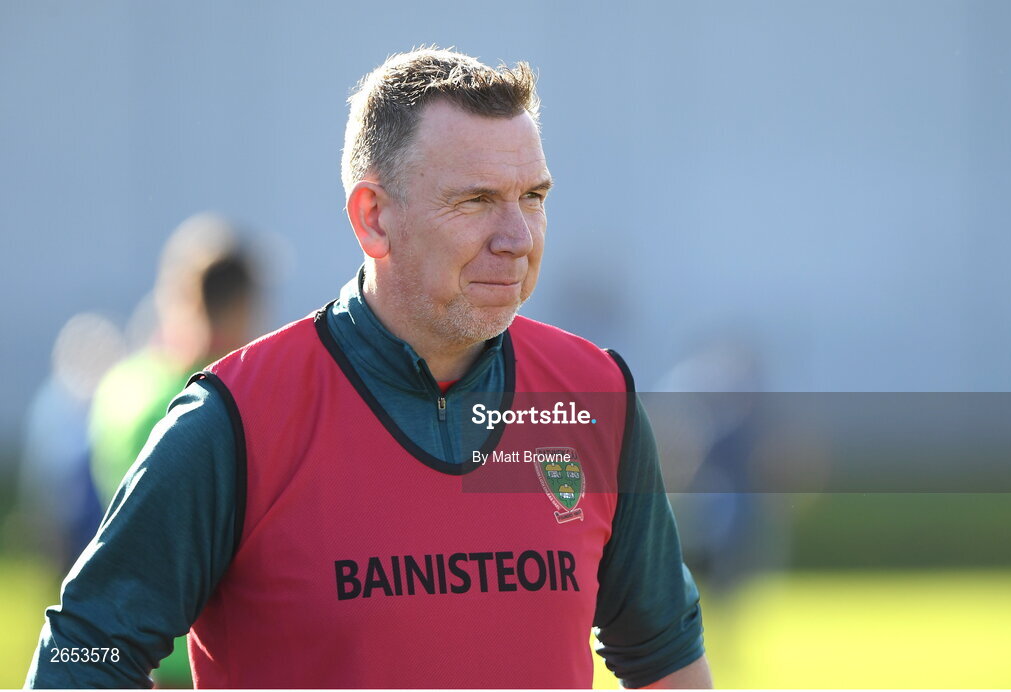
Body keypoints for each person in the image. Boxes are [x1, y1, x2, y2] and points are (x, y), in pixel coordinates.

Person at [26, 48, 711, 689]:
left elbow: (664, 654)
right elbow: (83, 651)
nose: (517, 238)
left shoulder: (593, 394)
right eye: (475, 200)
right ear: (374, 218)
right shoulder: (236, 418)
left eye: (533, 196)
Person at [85, 214, 260, 688]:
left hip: (130, 635)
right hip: (209, 652)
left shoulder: (124, 388)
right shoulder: (231, 402)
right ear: (240, 307)